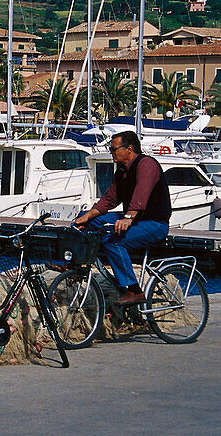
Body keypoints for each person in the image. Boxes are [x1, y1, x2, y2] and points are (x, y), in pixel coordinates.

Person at [72, 130, 171, 306]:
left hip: (154, 223)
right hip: (134, 219)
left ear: (129, 149)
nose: (112, 152)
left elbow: (142, 193)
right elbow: (110, 199)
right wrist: (88, 215)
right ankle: (73, 264)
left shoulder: (146, 164)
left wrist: (128, 217)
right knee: (85, 220)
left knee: (113, 240)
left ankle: (134, 290)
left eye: (114, 149)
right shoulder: (122, 171)